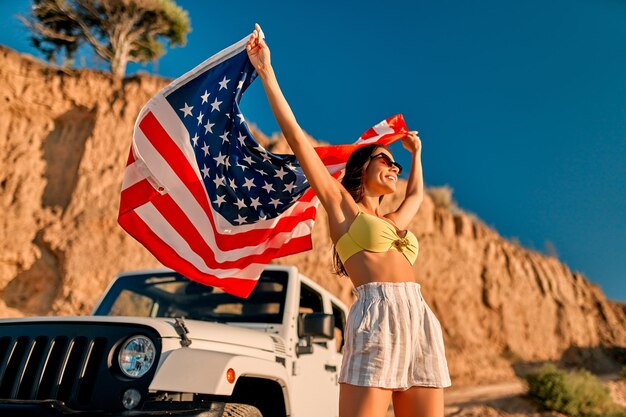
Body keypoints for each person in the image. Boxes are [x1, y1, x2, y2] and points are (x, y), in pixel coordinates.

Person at [246, 24, 451, 417]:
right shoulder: (342, 207)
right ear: (363, 168)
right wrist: (266, 72)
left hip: (419, 314)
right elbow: (297, 140)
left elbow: (417, 196)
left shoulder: (393, 222)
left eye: (397, 163)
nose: (395, 167)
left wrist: (417, 152)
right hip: (378, 312)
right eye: (386, 160)